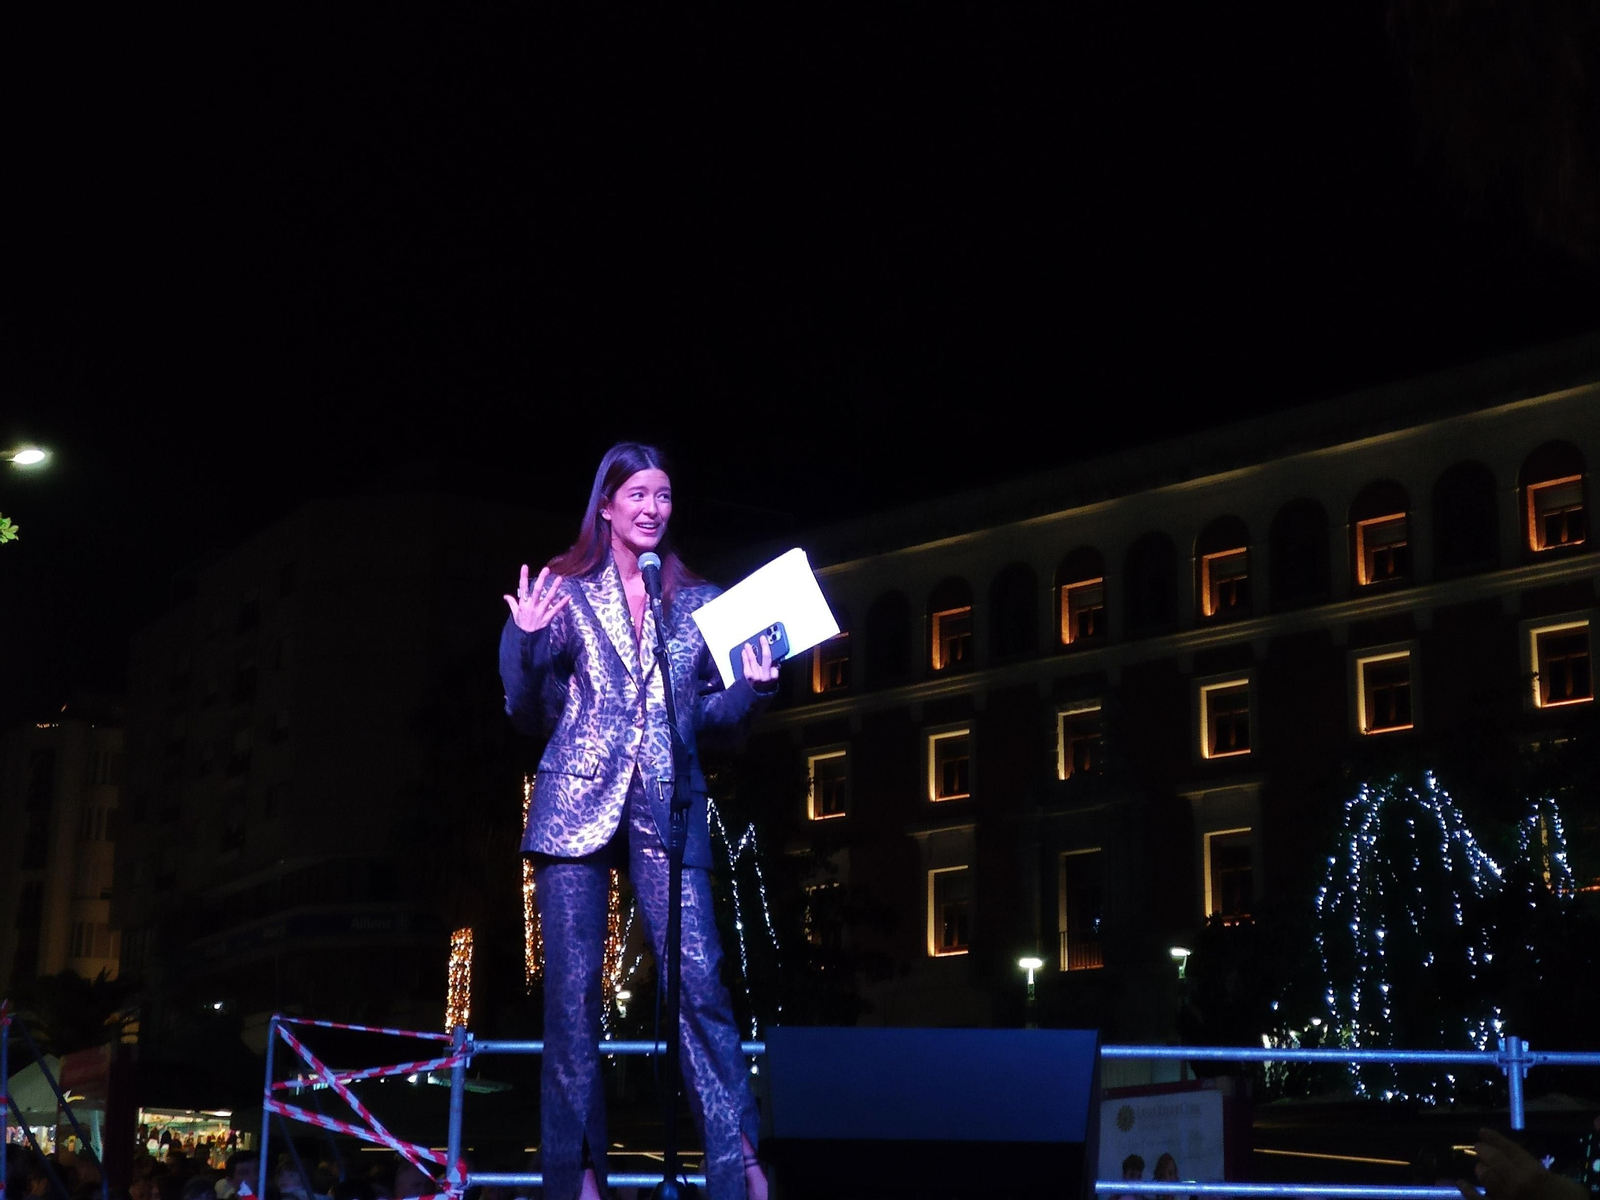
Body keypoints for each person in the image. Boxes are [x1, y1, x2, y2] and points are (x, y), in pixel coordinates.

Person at [500, 442, 780, 1200]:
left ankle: (737, 1161)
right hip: (575, 803)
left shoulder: (695, 600)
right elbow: (526, 710)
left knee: (703, 983)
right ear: (607, 504)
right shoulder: (563, 588)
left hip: (669, 801)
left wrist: (750, 690)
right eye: (639, 495)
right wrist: (526, 643)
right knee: (572, 1001)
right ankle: (580, 1171)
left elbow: (711, 723)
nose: (654, 508)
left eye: (664, 495)